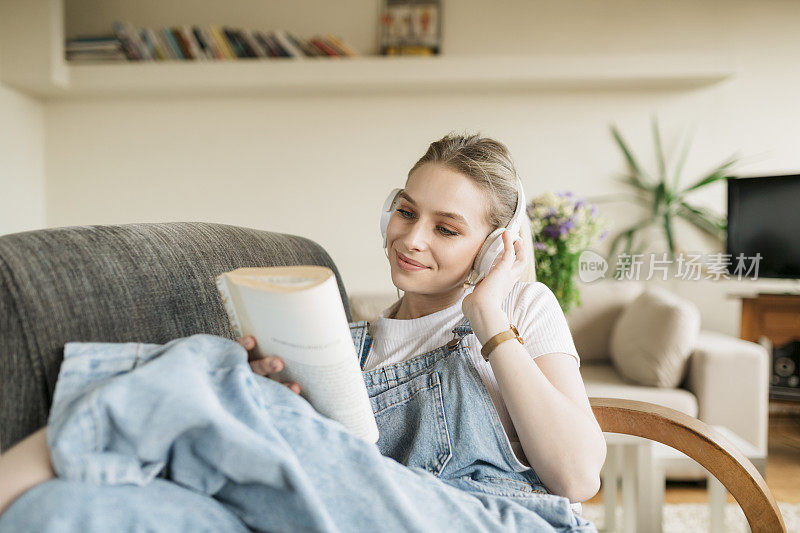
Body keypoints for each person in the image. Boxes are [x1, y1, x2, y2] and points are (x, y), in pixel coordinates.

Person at [0, 133, 604, 531]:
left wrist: (489, 315)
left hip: (493, 519)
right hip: (336, 515)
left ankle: (41, 452)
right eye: (406, 210)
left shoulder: (521, 306)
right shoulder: (345, 342)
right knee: (59, 512)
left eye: (446, 228)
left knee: (213, 366)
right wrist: (279, 400)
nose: (412, 238)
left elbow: (578, 475)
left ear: (495, 246)